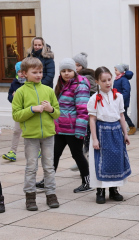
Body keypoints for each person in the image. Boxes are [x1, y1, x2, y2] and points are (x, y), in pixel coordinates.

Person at [35, 58, 91, 193]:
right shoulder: (61, 84)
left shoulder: (80, 85)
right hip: (60, 128)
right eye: (64, 71)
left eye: (69, 70)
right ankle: (47, 180)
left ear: (74, 71)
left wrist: (80, 130)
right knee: (53, 154)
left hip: (73, 129)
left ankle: (87, 182)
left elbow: (83, 110)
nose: (66, 73)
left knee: (77, 155)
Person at [12, 57, 60, 211]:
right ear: (24, 73)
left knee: (49, 166)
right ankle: (30, 197)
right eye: (35, 72)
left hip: (48, 135)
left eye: (40, 72)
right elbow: (16, 115)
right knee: (31, 166)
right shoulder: (20, 92)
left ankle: (51, 194)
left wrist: (50, 110)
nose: (39, 75)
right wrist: (32, 109)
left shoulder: (48, 90)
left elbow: (57, 113)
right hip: (30, 136)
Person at [88, 67, 131, 204]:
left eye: (109, 79)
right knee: (100, 162)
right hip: (101, 131)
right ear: (97, 82)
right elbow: (92, 119)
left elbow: (121, 116)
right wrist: (95, 139)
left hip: (116, 131)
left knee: (116, 161)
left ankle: (114, 189)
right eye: (103, 80)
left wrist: (126, 133)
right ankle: (100, 190)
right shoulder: (94, 98)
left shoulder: (118, 97)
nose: (107, 83)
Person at [3, 62, 25, 162]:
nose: (21, 74)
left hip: (29, 112)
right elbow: (9, 97)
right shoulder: (14, 83)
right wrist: (13, 97)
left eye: (23, 72)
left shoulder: (30, 82)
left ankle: (37, 149)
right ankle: (12, 152)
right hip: (18, 111)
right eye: (19, 72)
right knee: (16, 131)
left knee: (29, 132)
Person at [114, 63, 136, 135]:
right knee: (119, 115)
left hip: (123, 101)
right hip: (117, 101)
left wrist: (121, 99)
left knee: (124, 114)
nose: (115, 71)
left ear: (121, 71)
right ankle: (119, 128)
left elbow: (126, 91)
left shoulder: (124, 80)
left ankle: (132, 126)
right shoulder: (117, 79)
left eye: (116, 70)